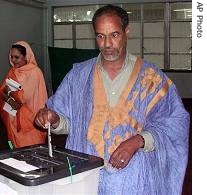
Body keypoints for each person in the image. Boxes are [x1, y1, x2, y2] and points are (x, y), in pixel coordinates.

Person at [35, 5, 189, 195]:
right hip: (87, 176)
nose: (107, 44)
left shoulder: (151, 78)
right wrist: (54, 119)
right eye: (100, 36)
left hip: (134, 180)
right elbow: (70, 123)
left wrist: (137, 141)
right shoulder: (78, 76)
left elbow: (175, 123)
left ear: (127, 32)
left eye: (114, 35)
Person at [0, 41, 48, 148]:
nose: (13, 60)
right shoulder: (13, 72)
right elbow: (2, 90)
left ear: (26, 56)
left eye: (17, 57)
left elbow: (24, 96)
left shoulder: (35, 72)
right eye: (11, 56)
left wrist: (12, 95)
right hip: (13, 120)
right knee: (15, 151)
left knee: (32, 150)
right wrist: (10, 100)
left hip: (32, 121)